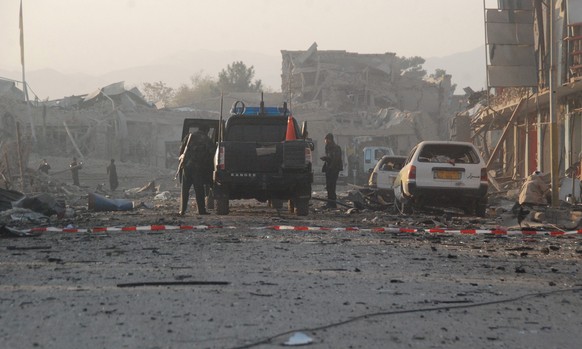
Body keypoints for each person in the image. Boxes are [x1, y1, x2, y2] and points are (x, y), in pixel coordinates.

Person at [178, 125, 214, 215]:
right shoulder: (206, 139)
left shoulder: (189, 136)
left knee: (185, 189)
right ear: (207, 131)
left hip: (186, 166)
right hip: (198, 168)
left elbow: (181, 150)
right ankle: (201, 210)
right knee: (199, 190)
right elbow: (213, 153)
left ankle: (182, 210)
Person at [320, 133, 343, 209]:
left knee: (332, 186)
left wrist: (331, 167)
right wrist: (325, 159)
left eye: (326, 139)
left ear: (329, 139)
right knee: (329, 187)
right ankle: (329, 203)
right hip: (328, 169)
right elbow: (329, 158)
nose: (325, 141)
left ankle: (332, 204)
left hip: (334, 169)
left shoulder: (336, 148)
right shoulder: (328, 147)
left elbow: (336, 159)